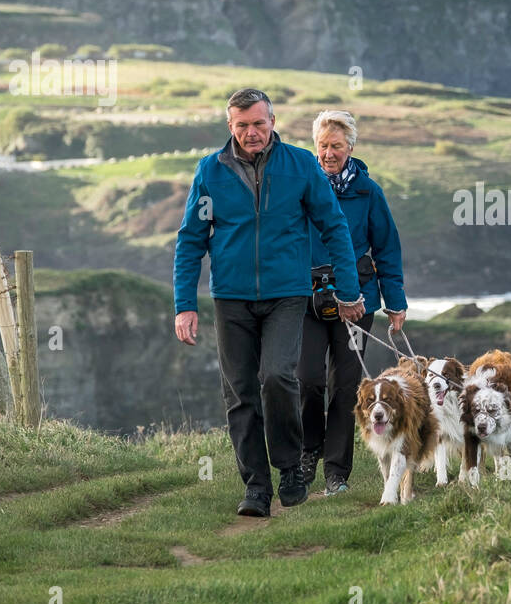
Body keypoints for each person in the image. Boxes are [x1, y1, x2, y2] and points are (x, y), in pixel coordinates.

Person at [173, 88, 365, 517]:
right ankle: (256, 487)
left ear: (272, 122)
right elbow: (190, 241)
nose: (251, 132)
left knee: (279, 377)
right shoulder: (210, 171)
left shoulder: (300, 166)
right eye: (242, 125)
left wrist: (349, 290)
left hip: (287, 295)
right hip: (231, 298)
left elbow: (334, 226)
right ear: (230, 127)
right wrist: (185, 304)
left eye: (259, 123)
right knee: (240, 391)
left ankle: (290, 469)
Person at [299, 110, 408, 496]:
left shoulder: (368, 192)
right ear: (316, 146)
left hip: (358, 304)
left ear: (351, 147)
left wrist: (395, 303)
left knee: (345, 386)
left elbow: (387, 249)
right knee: (307, 380)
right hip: (306, 301)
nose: (329, 153)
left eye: (337, 146)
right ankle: (308, 451)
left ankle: (336, 473)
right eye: (323, 146)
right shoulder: (300, 185)